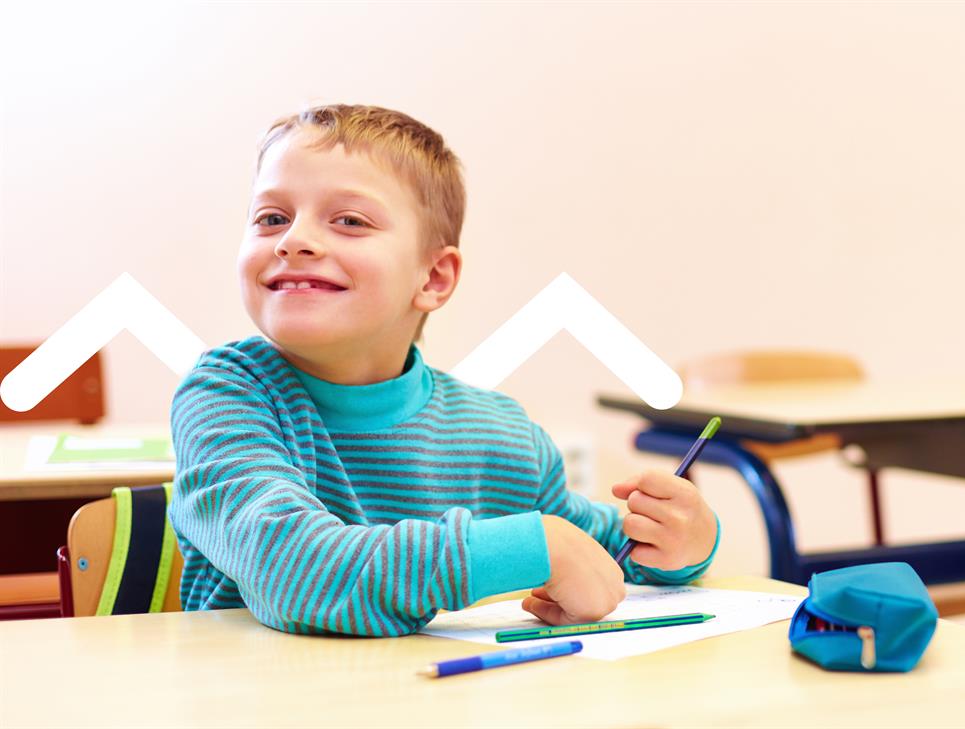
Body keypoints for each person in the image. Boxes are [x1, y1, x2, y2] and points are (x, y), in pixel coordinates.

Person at [169, 103, 720, 635]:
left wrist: (679, 542)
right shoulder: (225, 396)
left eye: (349, 220)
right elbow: (291, 571)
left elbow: (597, 556)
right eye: (271, 218)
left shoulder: (502, 435)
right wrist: (528, 549)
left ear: (433, 278)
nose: (294, 241)